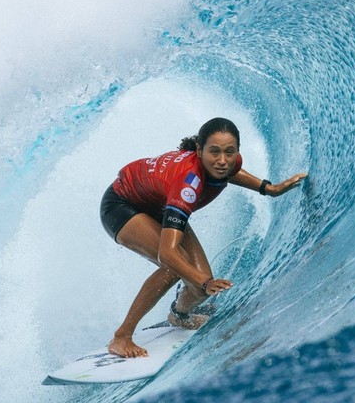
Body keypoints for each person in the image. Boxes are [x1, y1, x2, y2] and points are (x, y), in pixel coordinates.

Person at [98, 117, 308, 358]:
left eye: (229, 152)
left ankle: (178, 316)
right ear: (199, 150)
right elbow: (166, 254)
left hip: (159, 204)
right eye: (214, 152)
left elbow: (231, 171)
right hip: (122, 205)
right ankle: (122, 336)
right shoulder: (188, 183)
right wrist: (205, 282)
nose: (222, 160)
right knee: (175, 268)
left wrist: (268, 189)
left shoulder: (228, 161)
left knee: (198, 284)